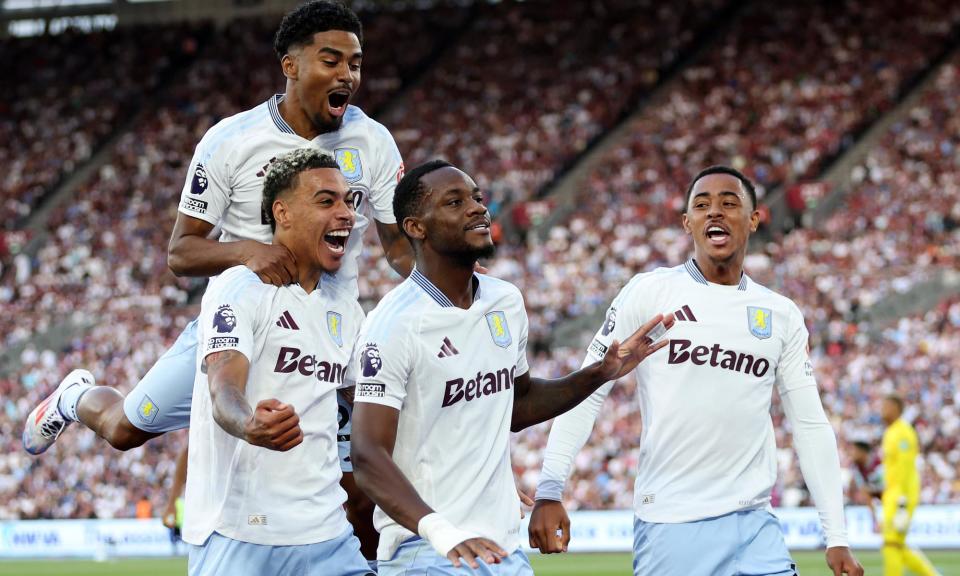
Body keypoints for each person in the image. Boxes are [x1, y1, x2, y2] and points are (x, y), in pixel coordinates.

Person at [21, 0, 405, 565]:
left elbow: (398, 246)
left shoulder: (371, 142)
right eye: (332, 59)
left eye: (356, 62)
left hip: (326, 336)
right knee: (127, 429)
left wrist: (447, 284)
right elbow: (181, 251)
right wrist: (250, 251)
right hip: (235, 326)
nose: (348, 74)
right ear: (291, 65)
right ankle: (77, 397)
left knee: (357, 490)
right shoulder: (230, 140)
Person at [529, 166, 865, 576]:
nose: (715, 213)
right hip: (672, 525)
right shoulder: (650, 292)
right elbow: (588, 390)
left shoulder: (781, 315)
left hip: (756, 526)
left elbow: (810, 424)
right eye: (702, 205)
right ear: (687, 223)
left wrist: (837, 537)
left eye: (729, 203)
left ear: (754, 219)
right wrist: (549, 488)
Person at [349, 160, 670, 575]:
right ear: (415, 227)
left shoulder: (505, 300)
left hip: (503, 550)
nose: (478, 208)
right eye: (455, 202)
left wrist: (598, 374)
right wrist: (443, 533)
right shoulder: (392, 324)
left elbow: (518, 405)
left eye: (478, 198)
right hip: (429, 553)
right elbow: (367, 454)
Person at [184, 148, 370, 575]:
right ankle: (77, 401)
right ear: (282, 213)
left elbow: (376, 405)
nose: (347, 214)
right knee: (126, 427)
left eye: (348, 202)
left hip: (328, 535)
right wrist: (250, 424)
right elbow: (224, 388)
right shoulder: (239, 288)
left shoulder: (346, 308)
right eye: (327, 201)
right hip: (242, 534)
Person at [879, 395, 940, 576]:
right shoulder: (891, 431)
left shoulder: (903, 432)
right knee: (897, 544)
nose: (882, 410)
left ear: (897, 409)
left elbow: (906, 468)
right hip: (893, 494)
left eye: (886, 406)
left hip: (901, 496)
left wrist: (902, 502)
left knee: (891, 543)